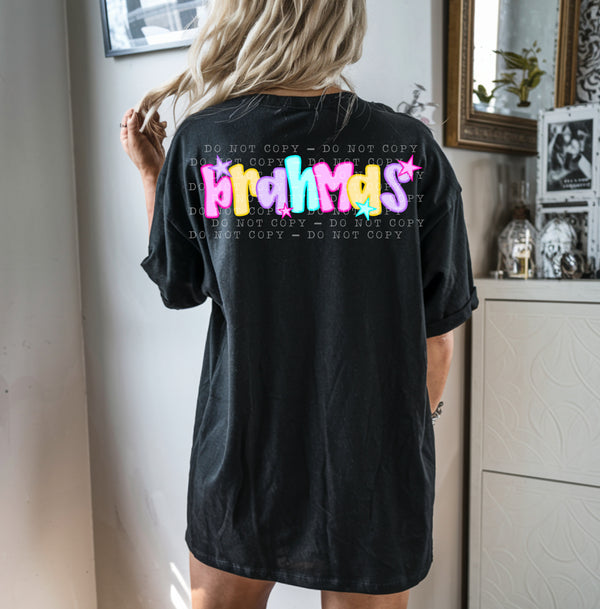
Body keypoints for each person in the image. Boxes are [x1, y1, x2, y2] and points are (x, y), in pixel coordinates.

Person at [120, 1, 479, 607]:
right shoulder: (409, 147)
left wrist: (153, 175)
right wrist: (402, 432)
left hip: (241, 461)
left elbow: (178, 287)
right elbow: (438, 337)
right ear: (343, 24)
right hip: (371, 473)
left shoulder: (204, 141)